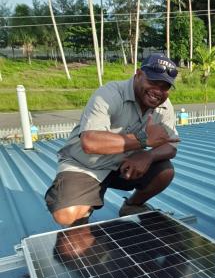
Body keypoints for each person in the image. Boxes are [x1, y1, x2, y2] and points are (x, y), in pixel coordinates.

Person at [45, 53, 180, 237]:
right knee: (66, 216)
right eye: (154, 82)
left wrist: (148, 155)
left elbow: (171, 146)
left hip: (124, 164)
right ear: (138, 74)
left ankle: (132, 205)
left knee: (165, 171)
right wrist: (143, 139)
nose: (158, 90)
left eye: (165, 86)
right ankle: (83, 206)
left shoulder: (164, 106)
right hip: (86, 164)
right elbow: (90, 142)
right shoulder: (110, 94)